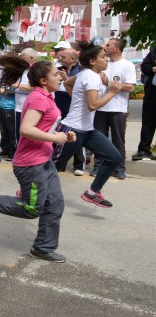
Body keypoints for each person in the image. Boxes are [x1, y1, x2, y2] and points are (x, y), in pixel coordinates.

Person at [0, 56, 76, 263]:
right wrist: (56, 138)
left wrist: (65, 132)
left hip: (44, 160)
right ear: (44, 80)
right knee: (31, 209)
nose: (60, 76)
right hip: (31, 164)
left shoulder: (47, 96)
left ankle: (43, 247)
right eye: (56, 74)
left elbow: (46, 124)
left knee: (55, 204)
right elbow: (26, 129)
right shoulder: (38, 98)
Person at [53, 41, 123, 208]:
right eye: (103, 57)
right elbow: (93, 105)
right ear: (93, 61)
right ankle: (27, 191)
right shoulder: (91, 77)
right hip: (72, 130)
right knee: (52, 165)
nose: (106, 60)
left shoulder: (86, 73)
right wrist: (112, 92)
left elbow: (68, 83)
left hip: (88, 131)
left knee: (114, 158)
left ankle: (93, 192)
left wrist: (77, 99)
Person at [92, 38, 136, 179]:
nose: (105, 47)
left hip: (117, 109)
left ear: (116, 48)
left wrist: (109, 83)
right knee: (99, 140)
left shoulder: (127, 65)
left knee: (118, 140)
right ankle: (98, 166)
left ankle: (119, 168)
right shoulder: (103, 64)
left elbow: (131, 87)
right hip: (100, 107)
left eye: (108, 45)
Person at [54, 47, 86, 175]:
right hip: (59, 106)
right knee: (59, 135)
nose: (60, 58)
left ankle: (78, 165)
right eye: (60, 56)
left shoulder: (80, 70)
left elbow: (80, 87)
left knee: (75, 136)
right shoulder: (57, 69)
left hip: (74, 108)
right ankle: (60, 163)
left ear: (72, 59)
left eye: (64, 56)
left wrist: (67, 78)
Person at [132, 47, 156, 161]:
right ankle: (144, 150)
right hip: (152, 92)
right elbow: (144, 66)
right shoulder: (154, 51)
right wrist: (153, 69)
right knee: (148, 122)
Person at [14, 48, 37, 143]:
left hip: (31, 110)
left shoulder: (37, 71)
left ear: (31, 58)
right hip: (19, 109)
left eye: (23, 59)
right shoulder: (22, 71)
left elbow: (34, 88)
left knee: (28, 137)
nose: (20, 62)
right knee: (19, 136)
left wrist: (16, 85)